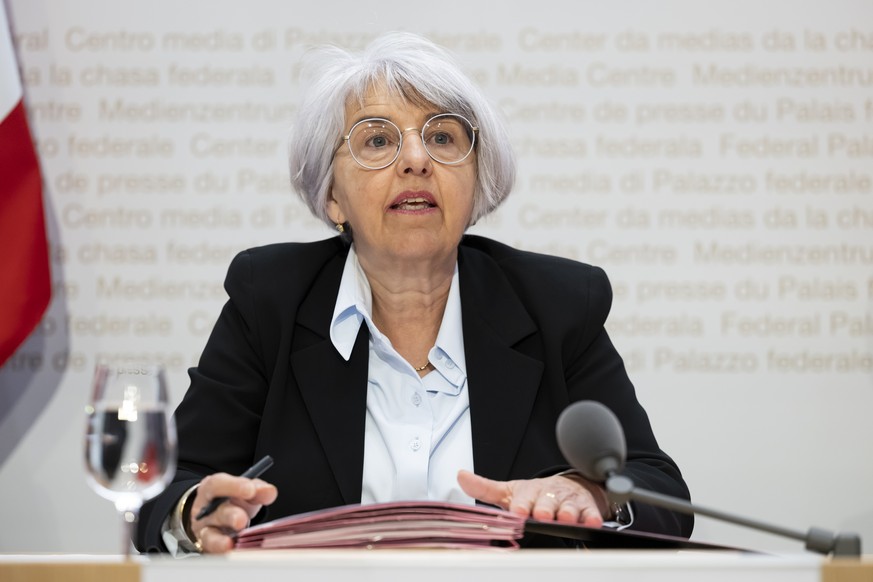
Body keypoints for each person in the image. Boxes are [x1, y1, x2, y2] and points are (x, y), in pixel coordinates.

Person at [136, 31, 693, 554]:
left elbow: (657, 488)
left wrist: (591, 493)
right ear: (332, 196)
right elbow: (167, 486)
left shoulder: (556, 305)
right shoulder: (272, 302)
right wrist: (192, 513)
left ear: (476, 182)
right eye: (378, 140)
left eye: (442, 137)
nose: (416, 161)